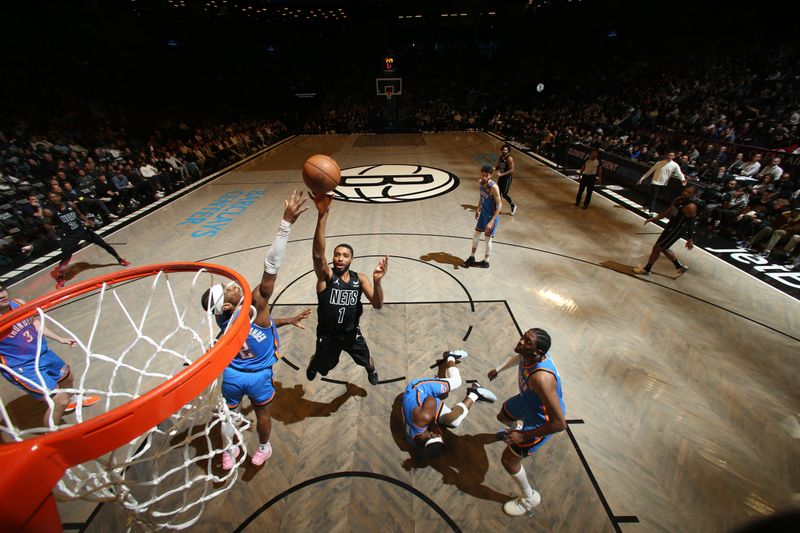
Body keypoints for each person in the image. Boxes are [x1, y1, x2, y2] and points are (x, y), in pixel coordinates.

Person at [200, 191, 311, 468]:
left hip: (234, 374)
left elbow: (259, 329)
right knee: (255, 415)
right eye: (228, 291)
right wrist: (286, 224)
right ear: (226, 307)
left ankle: (236, 450)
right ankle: (258, 447)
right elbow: (271, 266)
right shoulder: (254, 305)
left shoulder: (224, 324)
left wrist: (287, 320)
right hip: (254, 375)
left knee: (229, 416)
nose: (233, 286)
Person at [305, 192, 388, 385]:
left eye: (345, 255)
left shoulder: (360, 279)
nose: (340, 258)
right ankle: (313, 364)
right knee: (321, 364)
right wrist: (322, 215)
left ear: (351, 259)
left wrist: (377, 282)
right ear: (333, 258)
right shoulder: (326, 277)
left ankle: (372, 370)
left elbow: (377, 304)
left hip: (351, 333)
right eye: (337, 255)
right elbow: (318, 255)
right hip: (327, 335)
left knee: (366, 360)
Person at [487, 328, 566, 517]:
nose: (521, 342)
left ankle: (529, 498)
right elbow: (520, 358)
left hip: (541, 422)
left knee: (508, 461)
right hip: (526, 401)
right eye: (523, 337)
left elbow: (559, 424)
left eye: (527, 341)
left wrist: (523, 434)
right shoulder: (529, 355)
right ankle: (516, 431)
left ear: (538, 352)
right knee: (503, 417)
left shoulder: (541, 379)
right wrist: (499, 368)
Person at [0, 283, 100, 427]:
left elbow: (34, 322)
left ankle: (73, 399)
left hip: (43, 353)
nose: (1, 295)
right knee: (60, 400)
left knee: (67, 377)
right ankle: (51, 434)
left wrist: (59, 338)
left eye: (1, 290)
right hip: (22, 367)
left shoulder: (18, 303)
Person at [402, 350, 496, 459]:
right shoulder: (414, 441)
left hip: (419, 388)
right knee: (455, 421)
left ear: (432, 434)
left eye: (440, 435)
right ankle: (475, 393)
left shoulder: (425, 417)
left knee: (456, 382)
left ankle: (450, 356)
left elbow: (431, 399)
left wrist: (432, 420)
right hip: (420, 404)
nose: (441, 433)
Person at [45, 192, 130, 289]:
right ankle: (60, 277)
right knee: (66, 256)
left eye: (55, 196)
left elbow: (79, 214)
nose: (54, 199)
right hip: (70, 236)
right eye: (51, 198)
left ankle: (119, 259)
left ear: (59, 196)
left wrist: (87, 221)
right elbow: (45, 224)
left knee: (103, 244)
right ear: (49, 200)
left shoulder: (70, 204)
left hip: (82, 230)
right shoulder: (49, 211)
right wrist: (54, 228)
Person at [633, 186, 698, 277]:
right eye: (685, 191)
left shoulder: (690, 207)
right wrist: (655, 218)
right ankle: (680, 266)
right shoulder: (678, 199)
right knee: (663, 248)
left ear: (694, 195)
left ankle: (647, 269)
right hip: (671, 227)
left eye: (689, 192)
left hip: (677, 230)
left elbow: (691, 224)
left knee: (657, 247)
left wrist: (690, 239)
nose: (685, 193)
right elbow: (668, 211)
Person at [465, 164, 502, 268]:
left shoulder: (494, 187)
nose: (484, 177)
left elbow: (500, 206)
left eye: (486, 175)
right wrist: (477, 208)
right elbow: (482, 196)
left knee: (487, 240)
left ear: (490, 175)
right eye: (483, 175)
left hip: (491, 217)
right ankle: (472, 257)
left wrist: (492, 222)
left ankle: (486, 261)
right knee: (476, 235)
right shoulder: (481, 183)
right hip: (483, 214)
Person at [494, 144, 517, 215]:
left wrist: (502, 174)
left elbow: (512, 170)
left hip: (507, 178)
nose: (504, 151)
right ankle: (499, 208)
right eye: (503, 150)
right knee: (498, 193)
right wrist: (494, 168)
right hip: (501, 176)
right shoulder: (501, 157)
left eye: (506, 150)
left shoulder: (509, 158)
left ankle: (513, 205)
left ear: (508, 151)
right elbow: (498, 166)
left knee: (504, 194)